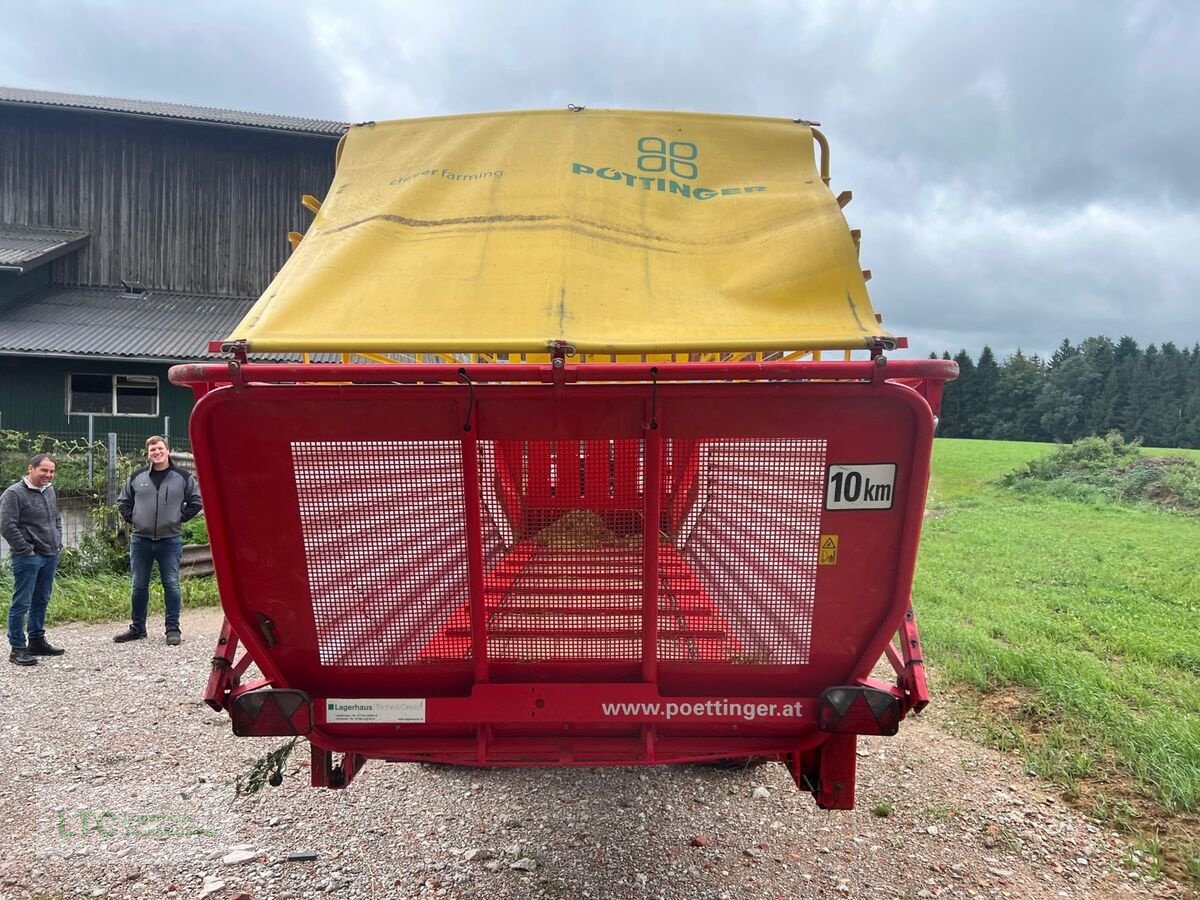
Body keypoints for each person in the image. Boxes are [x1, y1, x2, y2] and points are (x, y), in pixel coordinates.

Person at [114, 436, 202, 646]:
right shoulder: (137, 477)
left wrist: (177, 518)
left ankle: (173, 629)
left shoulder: (182, 477)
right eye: (152, 449)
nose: (157, 452)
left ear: (167, 450)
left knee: (171, 584)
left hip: (170, 540)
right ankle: (137, 628)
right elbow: (123, 502)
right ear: (148, 453)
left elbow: (196, 502)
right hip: (141, 540)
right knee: (138, 585)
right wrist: (134, 519)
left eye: (160, 448)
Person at [1, 453, 65, 666]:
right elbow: (7, 525)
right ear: (31, 469)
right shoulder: (13, 493)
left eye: (51, 471)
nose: (48, 475)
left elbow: (56, 516)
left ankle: (36, 640)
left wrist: (58, 539)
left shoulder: (49, 490)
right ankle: (17, 647)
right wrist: (27, 549)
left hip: (50, 553)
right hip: (29, 557)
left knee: (42, 599)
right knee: (22, 603)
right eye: (44, 470)